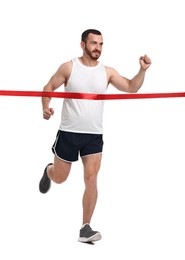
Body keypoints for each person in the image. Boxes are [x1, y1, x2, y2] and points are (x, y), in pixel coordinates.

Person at [39, 29, 152, 243]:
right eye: (93, 43)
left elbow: (131, 87)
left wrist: (142, 70)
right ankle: (48, 171)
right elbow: (49, 87)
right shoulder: (69, 67)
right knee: (61, 177)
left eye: (100, 44)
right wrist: (46, 107)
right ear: (82, 45)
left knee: (91, 178)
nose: (97, 48)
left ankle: (85, 228)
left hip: (93, 135)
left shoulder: (106, 72)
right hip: (69, 133)